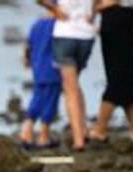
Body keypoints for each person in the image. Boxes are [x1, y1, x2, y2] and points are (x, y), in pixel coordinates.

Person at [37, 0, 96, 152]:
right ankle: (83, 130)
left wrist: (55, 9)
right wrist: (93, 13)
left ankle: (78, 140)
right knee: (75, 83)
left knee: (70, 89)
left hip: (65, 33)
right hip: (86, 35)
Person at [87, 0, 133, 144]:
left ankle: (100, 129)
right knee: (125, 74)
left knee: (118, 75)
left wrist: (96, 9)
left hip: (119, 18)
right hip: (128, 17)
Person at [18, 10, 62, 149]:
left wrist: (28, 61)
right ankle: (43, 136)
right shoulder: (58, 25)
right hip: (53, 69)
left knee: (37, 99)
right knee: (50, 102)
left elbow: (28, 46)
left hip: (38, 68)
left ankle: (27, 131)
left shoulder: (37, 24)